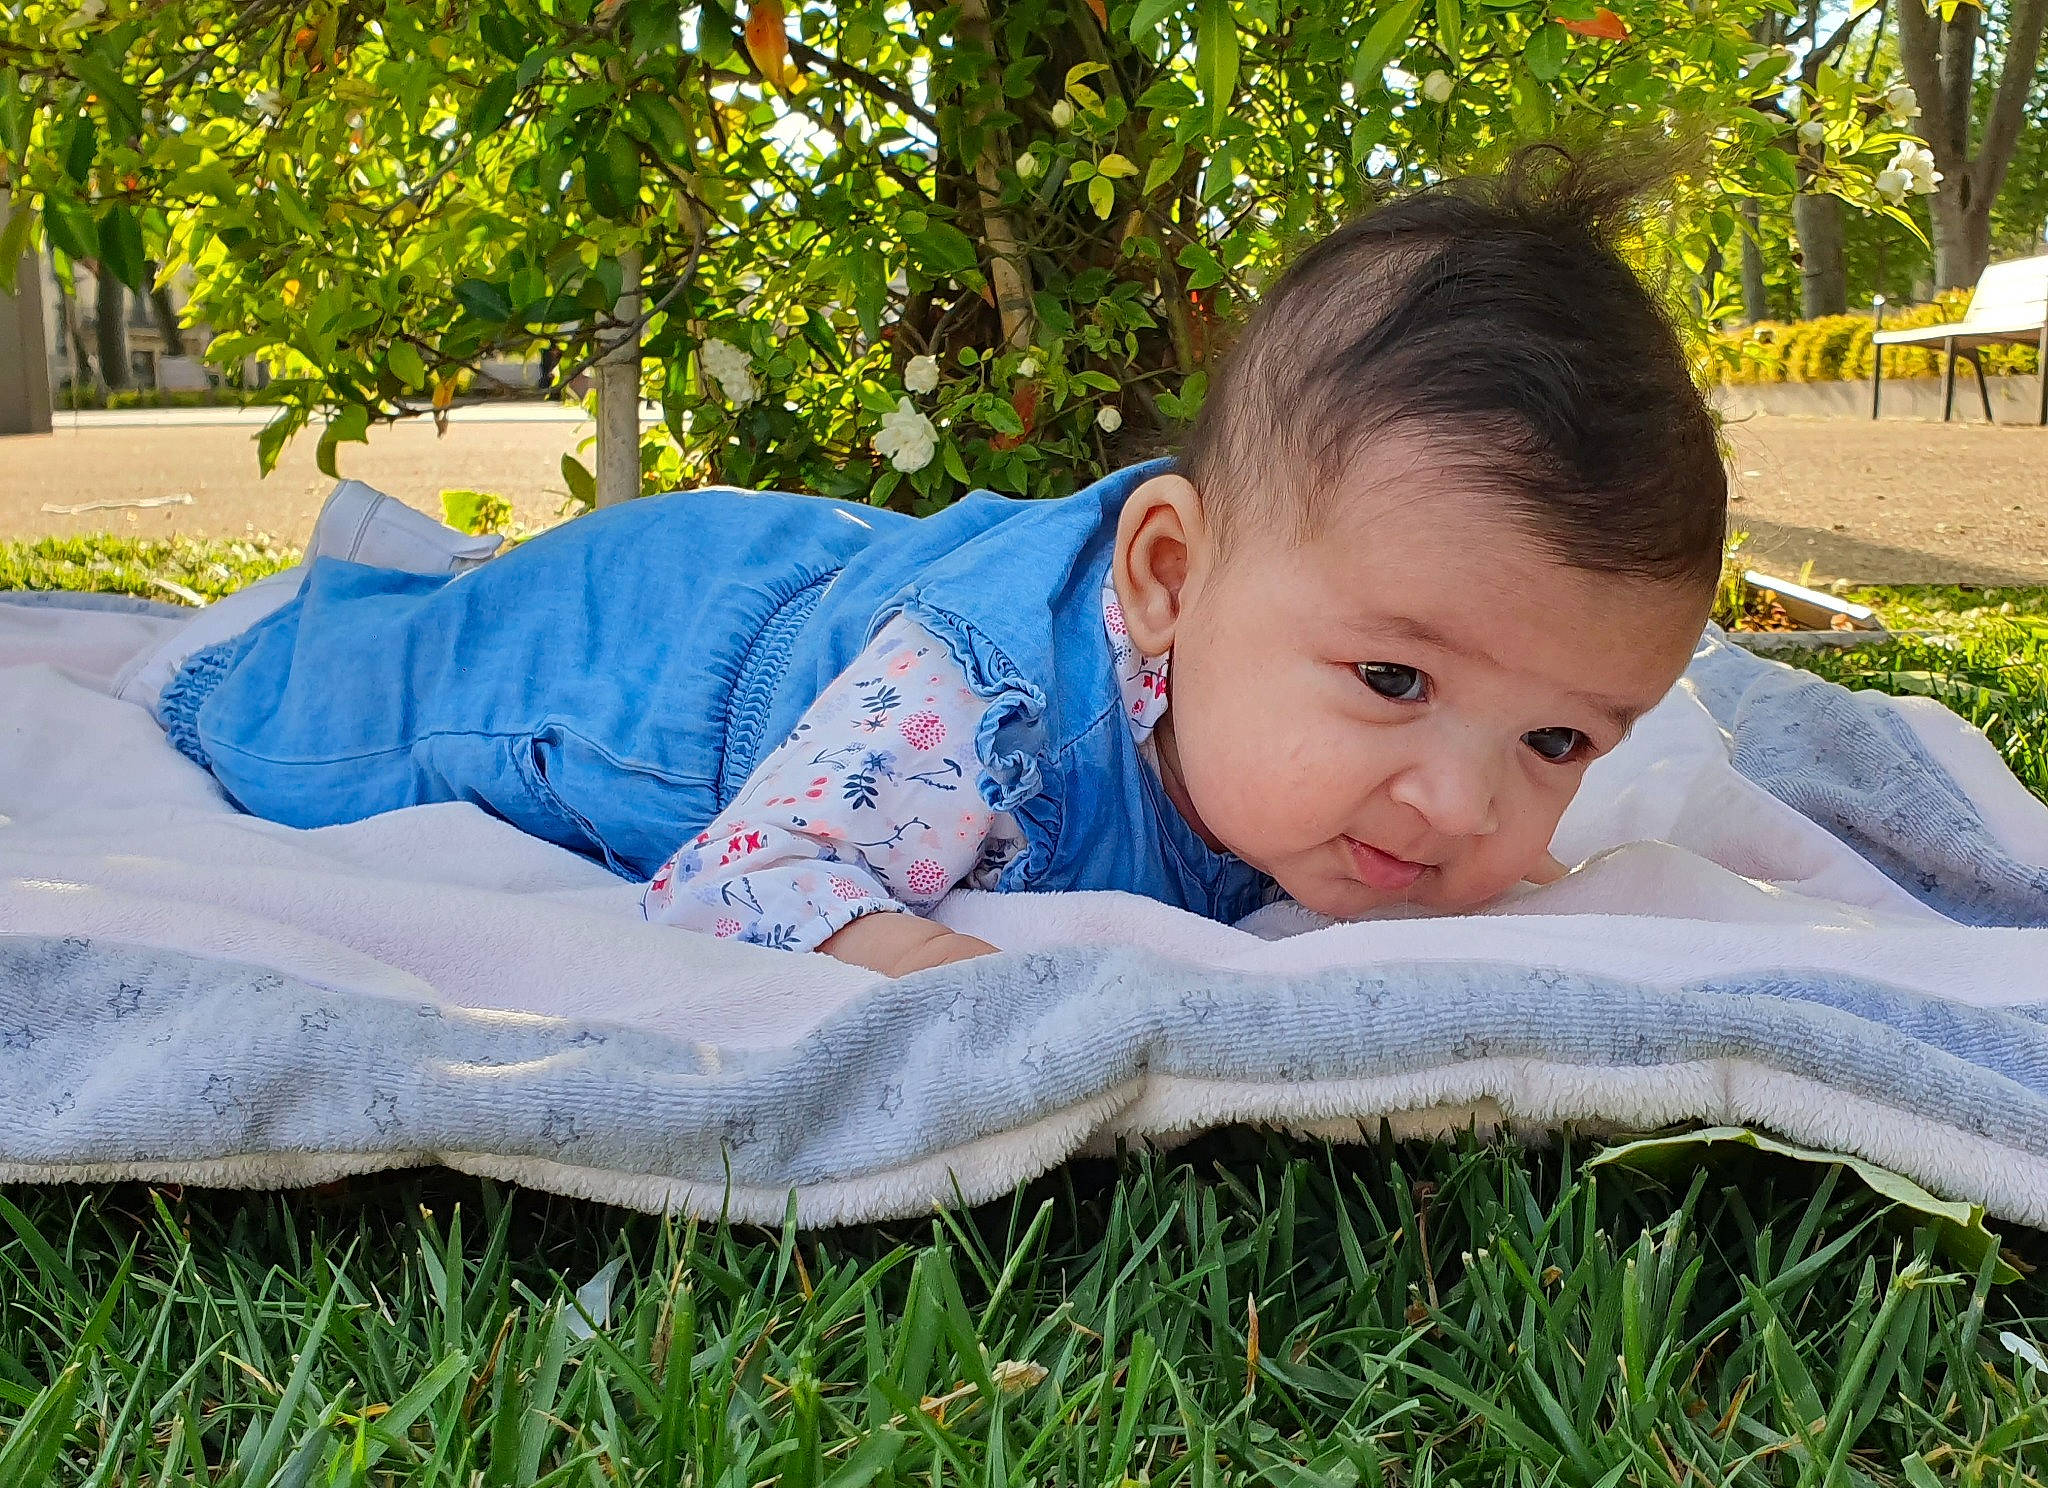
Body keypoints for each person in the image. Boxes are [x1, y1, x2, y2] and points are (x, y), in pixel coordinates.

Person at [127, 147, 1726, 978]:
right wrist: (957, 979)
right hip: (654, 655)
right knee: (331, 722)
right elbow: (743, 886)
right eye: (1395, 680)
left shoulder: (1299, 696)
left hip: (840, 579)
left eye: (1558, 740)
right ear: (1169, 580)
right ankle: (266, 639)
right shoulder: (982, 709)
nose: (1465, 808)